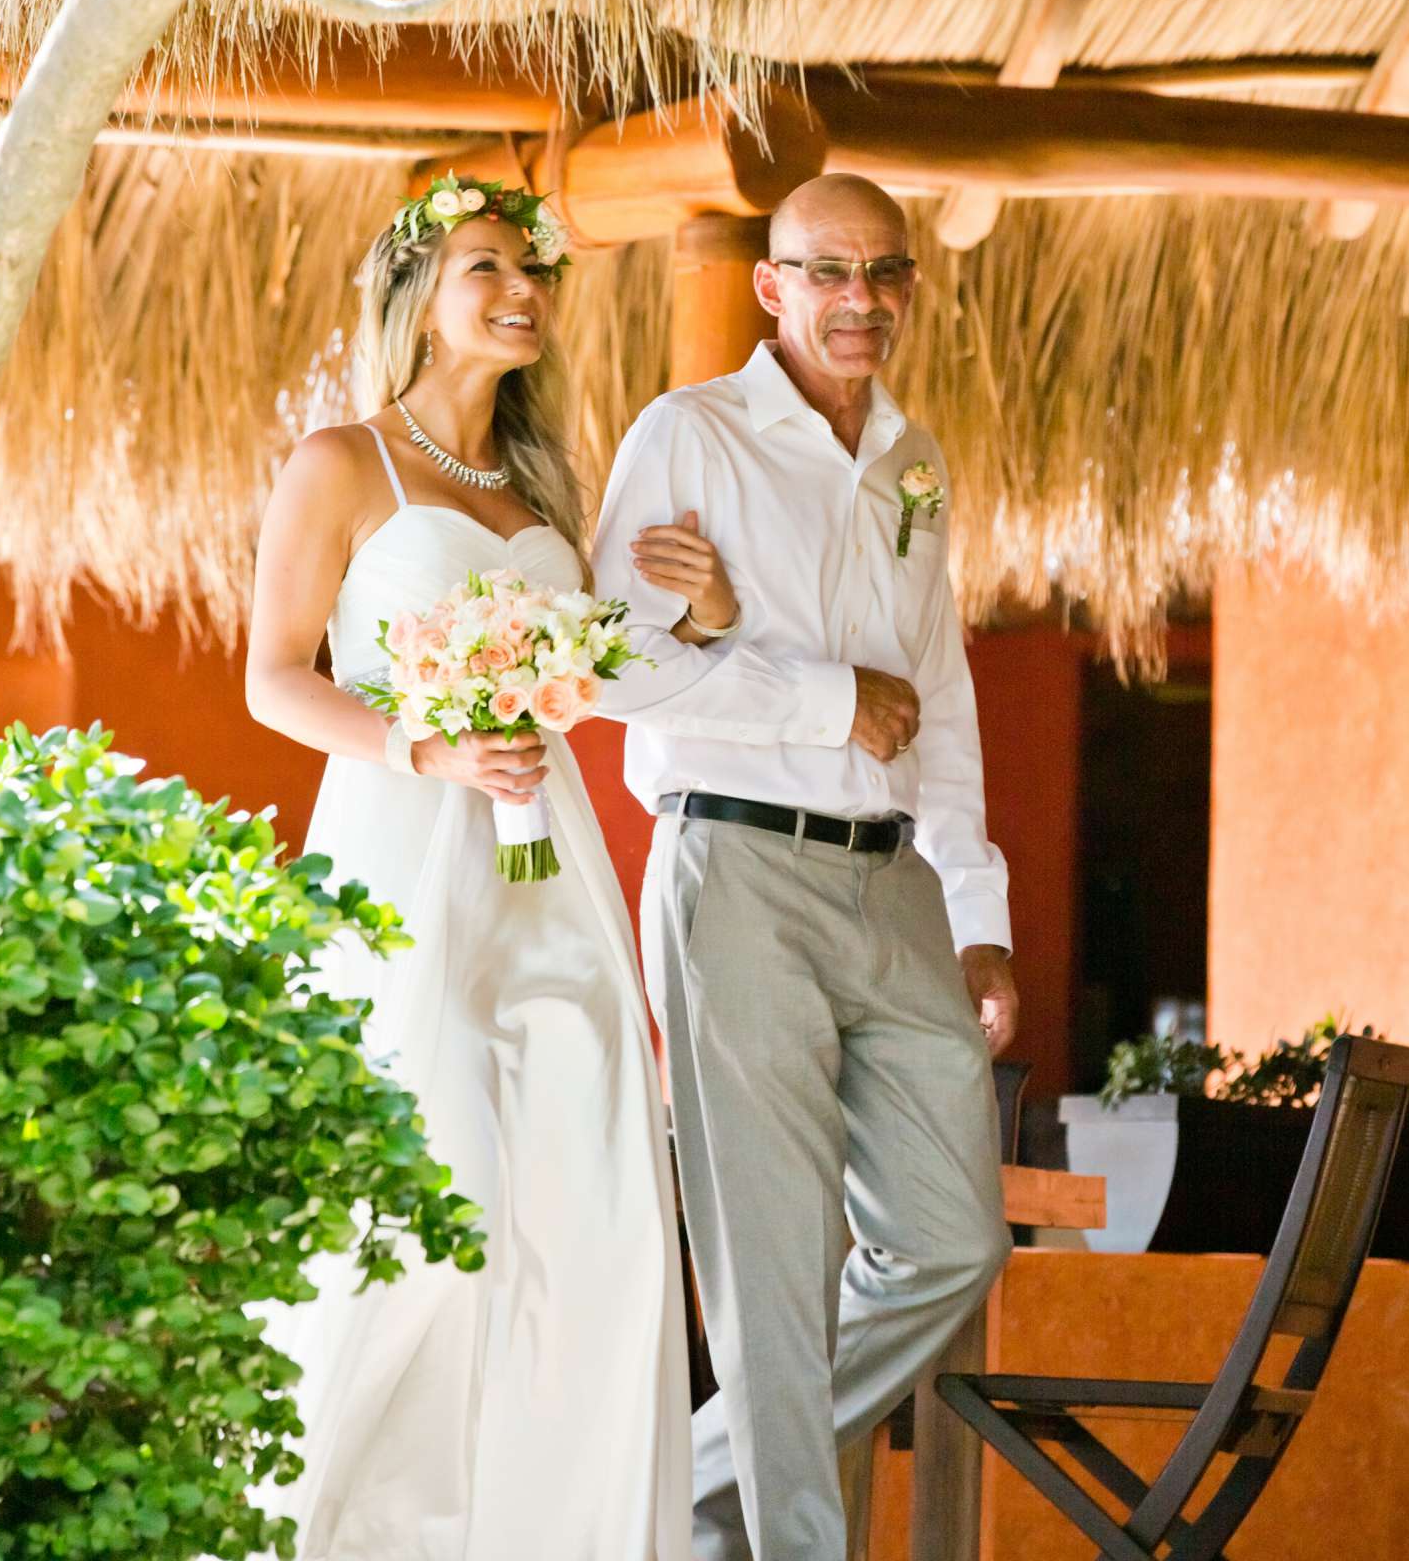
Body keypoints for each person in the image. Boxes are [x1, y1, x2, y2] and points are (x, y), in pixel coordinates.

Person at [239, 177, 729, 1560]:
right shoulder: (339, 463)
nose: (523, 291)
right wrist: (426, 749)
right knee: (426, 1183)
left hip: (547, 862)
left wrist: (700, 622)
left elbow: (603, 689)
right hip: (406, 849)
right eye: (486, 268)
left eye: (535, 271)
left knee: (588, 1200)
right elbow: (277, 681)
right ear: (416, 297)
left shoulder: (541, 490)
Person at [590, 172, 1020, 1561]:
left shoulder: (914, 462)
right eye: (825, 272)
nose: (858, 300)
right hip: (740, 869)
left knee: (954, 1242)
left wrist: (978, 904)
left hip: (894, 880)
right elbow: (618, 669)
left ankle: (688, 1507)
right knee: (772, 1270)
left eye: (882, 274)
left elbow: (938, 695)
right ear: (772, 286)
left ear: (908, 289)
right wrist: (825, 698)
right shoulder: (691, 437)